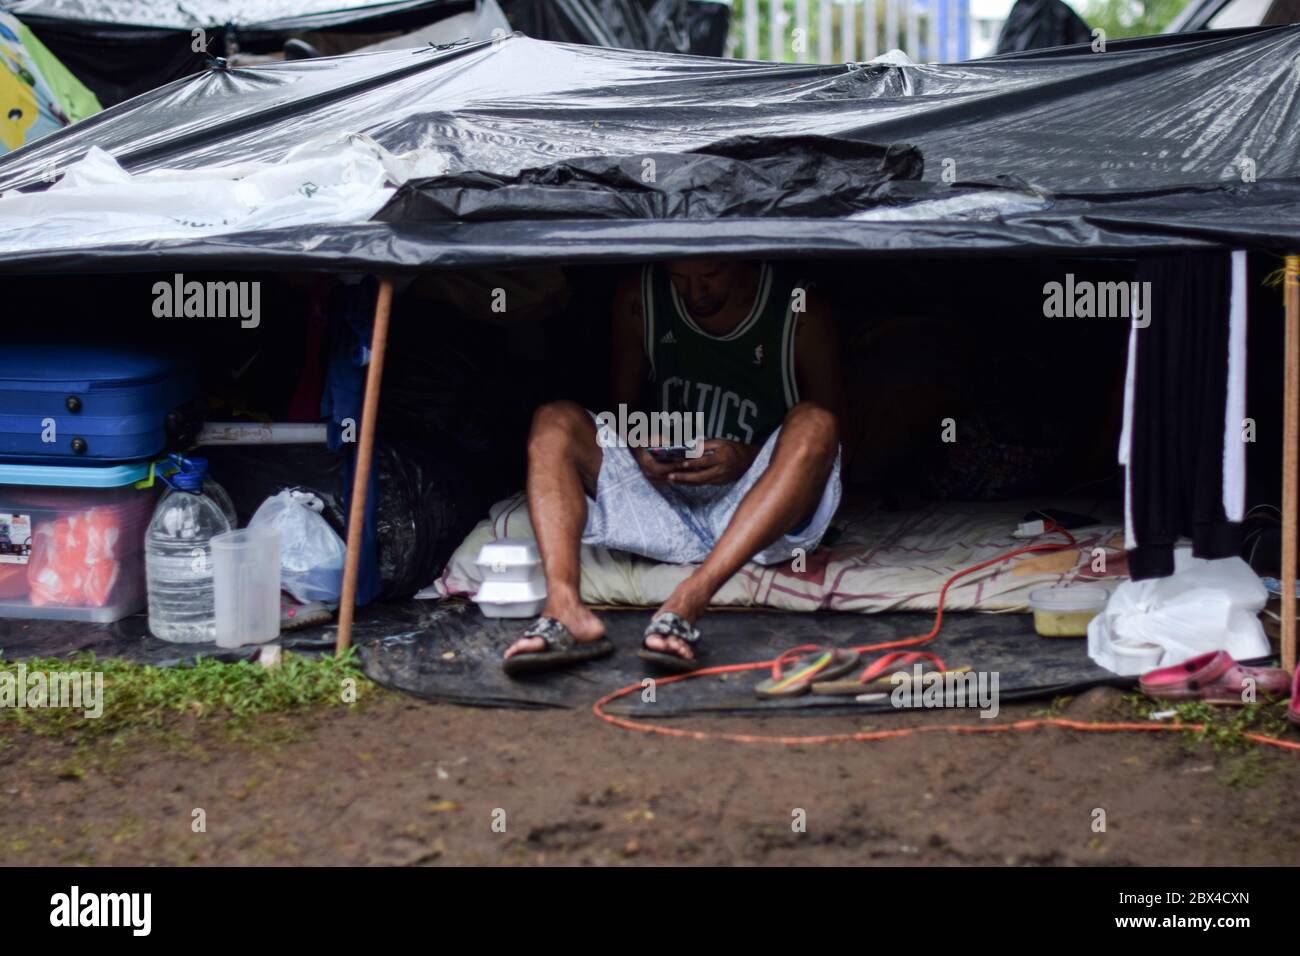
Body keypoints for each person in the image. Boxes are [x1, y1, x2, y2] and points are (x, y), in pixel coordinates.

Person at [502, 258, 845, 675]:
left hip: (756, 509)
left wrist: (748, 458)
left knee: (816, 422)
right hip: (661, 501)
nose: (693, 293)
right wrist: (640, 451)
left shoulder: (799, 308)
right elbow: (621, 415)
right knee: (553, 420)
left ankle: (687, 602)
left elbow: (836, 445)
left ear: (747, 260)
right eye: (679, 278)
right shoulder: (641, 299)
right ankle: (564, 607)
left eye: (711, 275)